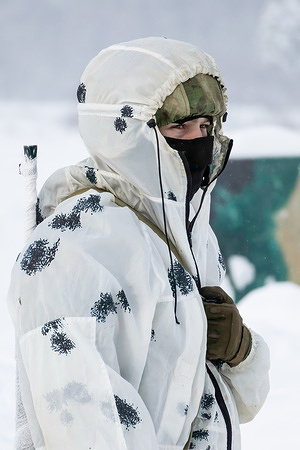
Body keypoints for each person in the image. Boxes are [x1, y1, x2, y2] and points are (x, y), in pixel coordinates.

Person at [8, 37, 270, 449]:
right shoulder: (73, 250)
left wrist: (242, 353)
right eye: (178, 126)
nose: (197, 141)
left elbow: (226, 406)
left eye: (206, 126)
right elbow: (89, 429)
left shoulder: (191, 233)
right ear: (129, 133)